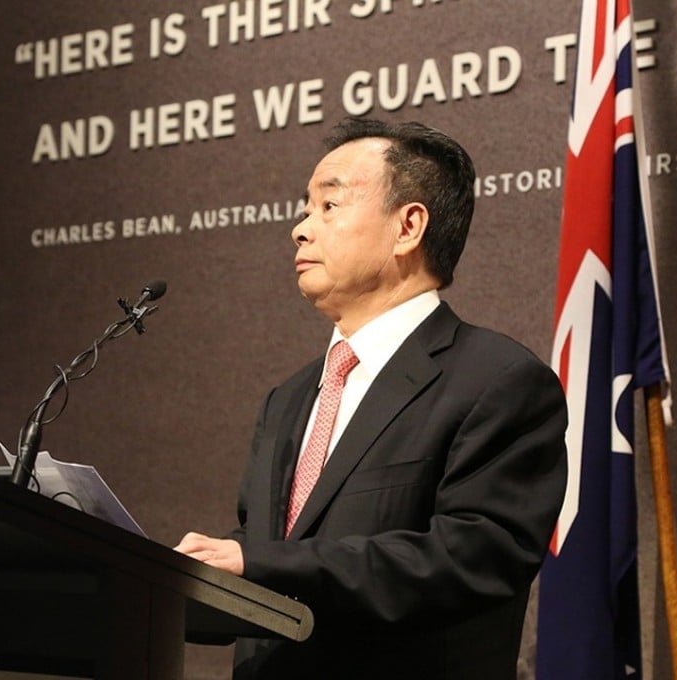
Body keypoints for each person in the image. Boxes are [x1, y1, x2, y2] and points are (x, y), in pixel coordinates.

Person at [175, 117, 568, 679]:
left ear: (408, 227)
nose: (300, 229)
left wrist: (257, 563)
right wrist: (179, 581)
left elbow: (469, 558)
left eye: (328, 206)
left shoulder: (499, 381)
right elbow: (265, 548)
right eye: (305, 208)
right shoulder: (287, 399)